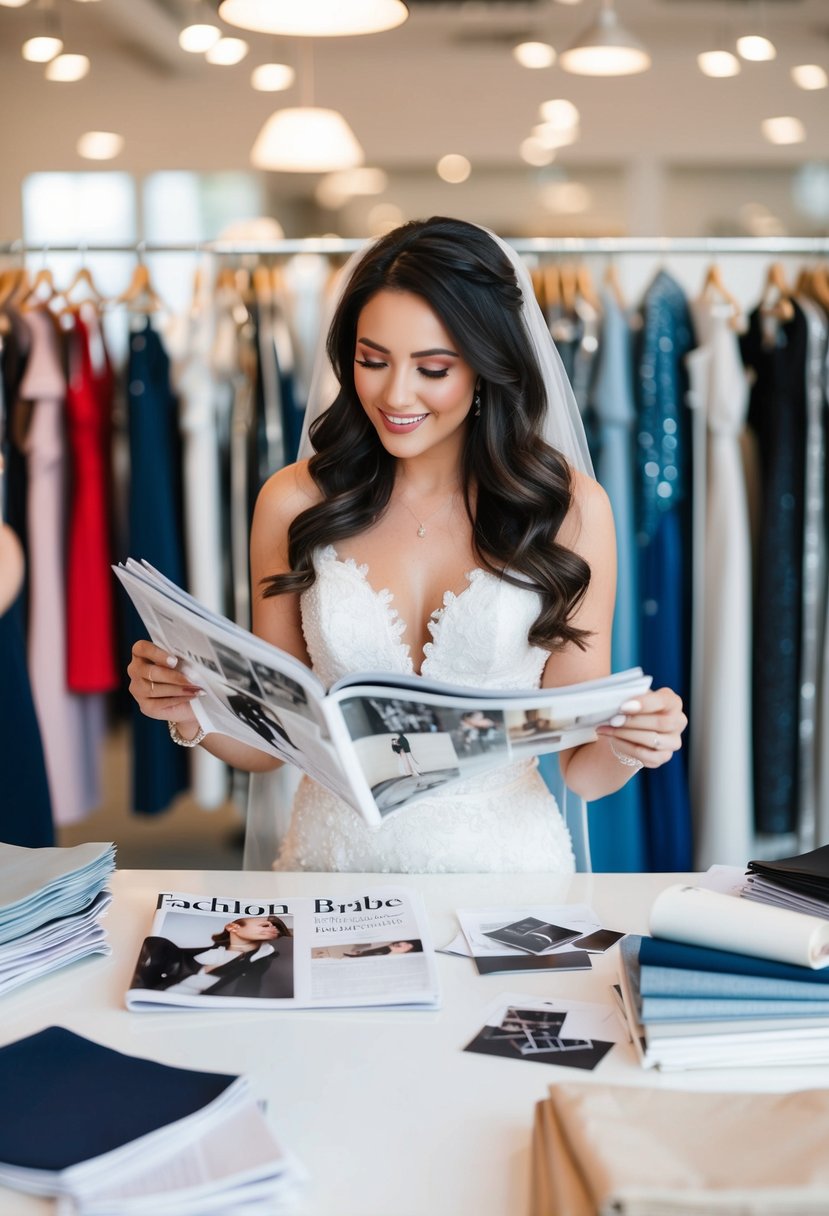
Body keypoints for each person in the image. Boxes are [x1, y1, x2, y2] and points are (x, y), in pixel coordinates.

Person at [128, 216, 686, 873]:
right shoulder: (293, 502)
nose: (394, 394)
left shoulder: (569, 512)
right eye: (372, 360)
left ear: (486, 365)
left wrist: (636, 741)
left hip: (506, 877)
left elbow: (583, 772)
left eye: (432, 368)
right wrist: (192, 710)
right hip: (330, 867)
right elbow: (272, 742)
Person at [131, 914, 294, 999]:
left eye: (276, 928)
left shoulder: (266, 959)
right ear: (233, 927)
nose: (272, 928)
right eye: (265, 924)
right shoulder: (196, 954)